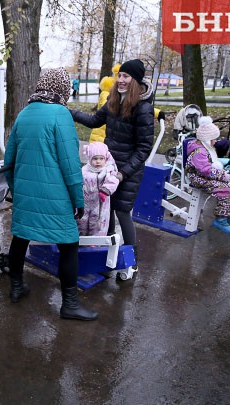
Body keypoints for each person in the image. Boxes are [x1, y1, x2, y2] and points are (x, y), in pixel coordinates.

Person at [4, 67, 98, 321]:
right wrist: (78, 200)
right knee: (69, 245)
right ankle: (69, 304)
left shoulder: (24, 114)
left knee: (20, 238)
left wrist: (17, 190)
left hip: (26, 193)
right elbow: (70, 164)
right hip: (55, 197)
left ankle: (16, 287)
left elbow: (9, 160)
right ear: (64, 89)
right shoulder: (61, 114)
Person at [70, 59, 154, 280]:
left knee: (122, 213)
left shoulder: (143, 109)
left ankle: (132, 262)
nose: (121, 80)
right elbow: (94, 120)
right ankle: (105, 259)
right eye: (120, 76)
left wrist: (122, 173)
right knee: (105, 213)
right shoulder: (113, 101)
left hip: (127, 171)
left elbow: (144, 148)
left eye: (127, 77)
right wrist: (69, 112)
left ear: (136, 80)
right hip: (107, 167)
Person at [184, 116, 230, 233]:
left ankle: (229, 214)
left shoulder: (207, 147)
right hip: (197, 178)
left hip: (206, 176)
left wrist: (220, 172)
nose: (215, 141)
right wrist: (221, 175)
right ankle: (220, 220)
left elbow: (211, 165)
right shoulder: (199, 151)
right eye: (213, 139)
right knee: (224, 190)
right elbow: (205, 169)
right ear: (206, 139)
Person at [77, 142, 120, 237]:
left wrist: (106, 190)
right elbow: (79, 182)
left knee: (98, 222)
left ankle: (95, 241)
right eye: (95, 159)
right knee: (82, 220)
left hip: (100, 203)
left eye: (101, 159)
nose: (98, 162)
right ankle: (81, 237)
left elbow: (113, 180)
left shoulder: (107, 171)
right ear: (90, 159)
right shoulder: (84, 171)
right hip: (86, 202)